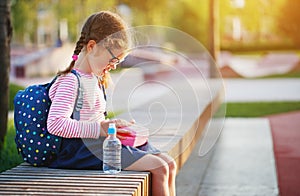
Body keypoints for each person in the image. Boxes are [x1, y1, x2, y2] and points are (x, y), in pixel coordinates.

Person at [46, 11, 177, 196]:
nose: (114, 65)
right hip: (80, 151)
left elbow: (95, 120)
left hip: (99, 145)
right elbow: (56, 124)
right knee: (160, 167)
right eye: (113, 59)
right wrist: (100, 128)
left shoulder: (94, 78)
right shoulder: (70, 81)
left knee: (169, 164)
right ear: (92, 46)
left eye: (118, 61)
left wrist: (114, 127)